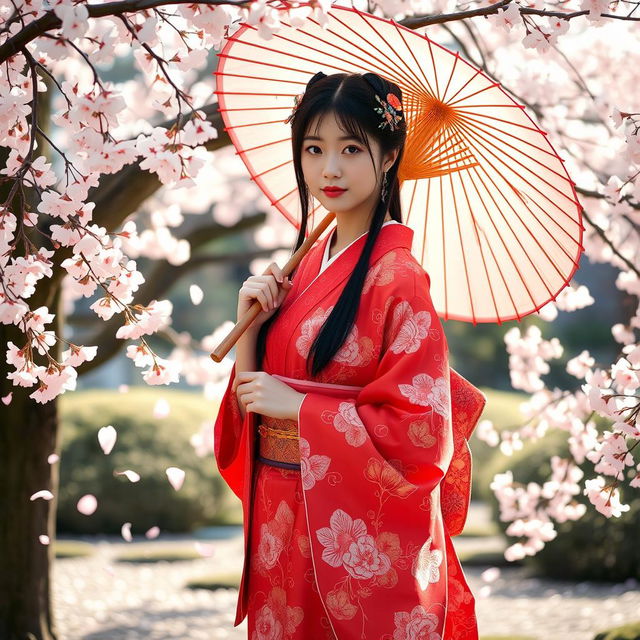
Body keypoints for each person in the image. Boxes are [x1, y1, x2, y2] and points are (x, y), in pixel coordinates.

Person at [213, 71, 486, 639]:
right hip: (280, 518)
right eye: (313, 149)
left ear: (388, 158)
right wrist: (251, 329)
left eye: (351, 149)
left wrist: (303, 410)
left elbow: (420, 432)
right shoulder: (305, 267)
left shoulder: (400, 279)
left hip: (344, 523)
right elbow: (255, 400)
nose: (329, 169)